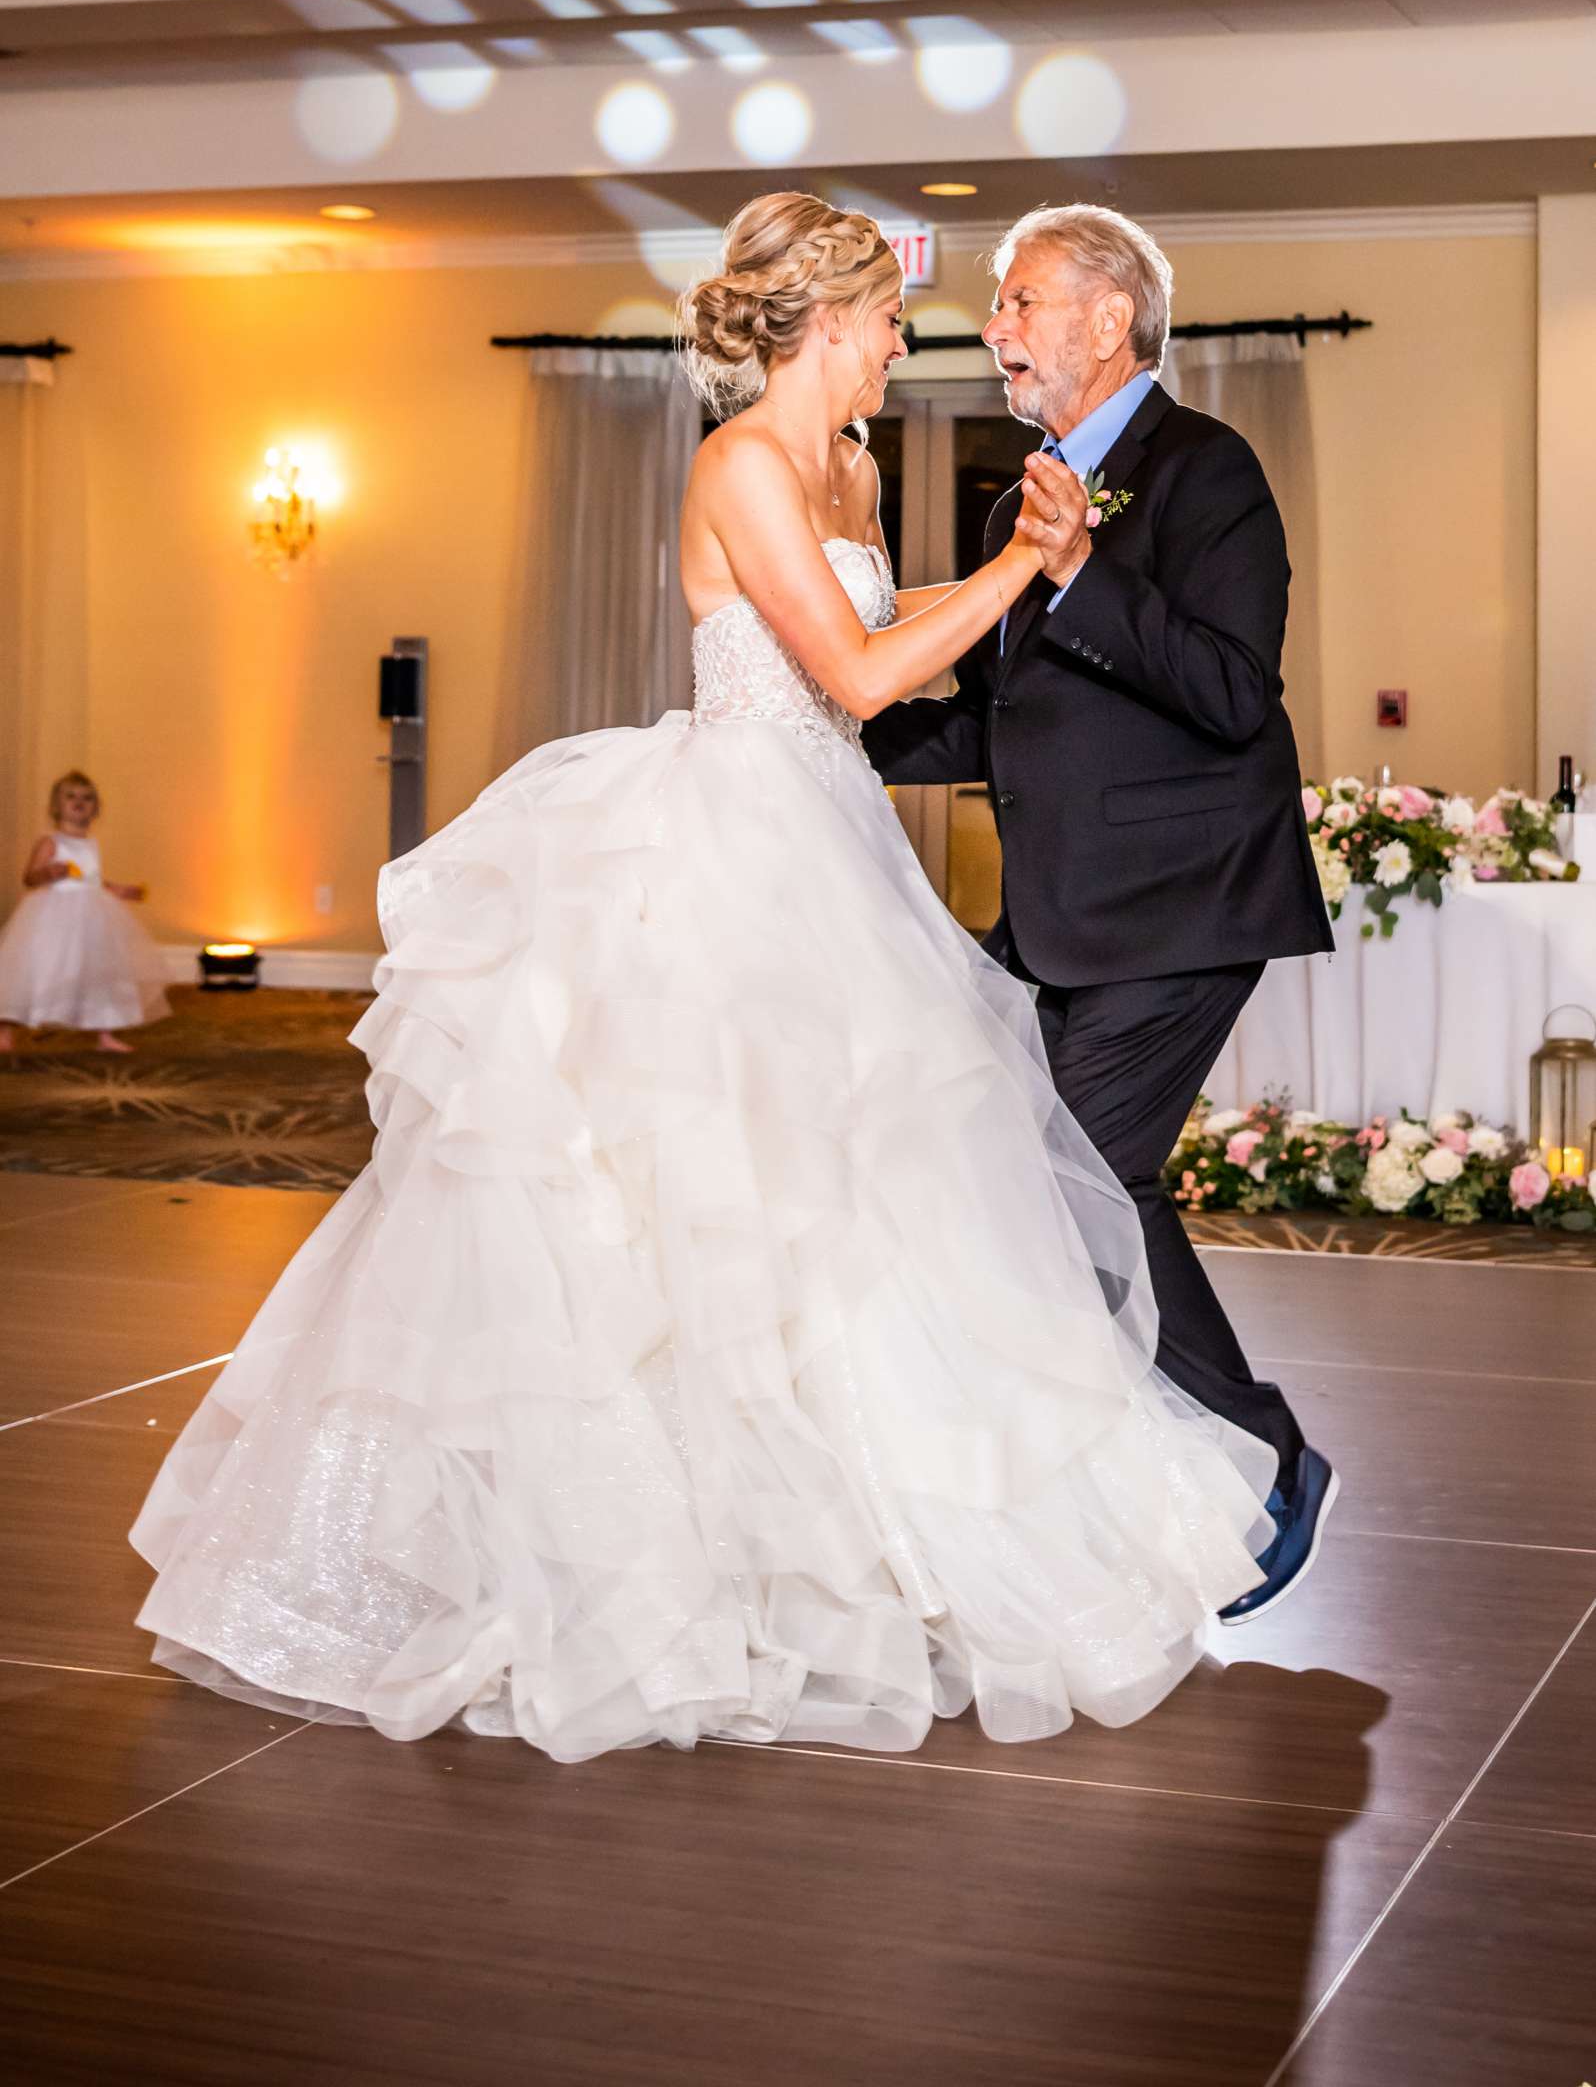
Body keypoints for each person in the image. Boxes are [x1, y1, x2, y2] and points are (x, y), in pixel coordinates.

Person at [131, 192, 1275, 1764]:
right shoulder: (737, 464)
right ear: (827, 317)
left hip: (831, 851)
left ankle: (841, 1545)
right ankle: (637, 1563)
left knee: (858, 1205)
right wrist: (1028, 556)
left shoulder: (856, 470)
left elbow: (911, 642)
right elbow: (864, 675)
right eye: (890, 325)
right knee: (689, 1202)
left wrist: (1013, 583)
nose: (905, 349)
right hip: (727, 849)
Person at [863, 204, 1337, 1626]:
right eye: (999, 309)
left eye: (1017, 303)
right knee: (1000, 1171)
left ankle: (1265, 1461)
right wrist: (834, 732)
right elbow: (1012, 725)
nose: (993, 329)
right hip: (1063, 918)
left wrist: (1080, 572)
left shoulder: (1207, 472)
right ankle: (1106, 1483)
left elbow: (1229, 693)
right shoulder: (1028, 499)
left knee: (1076, 1181)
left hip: (1184, 914)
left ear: (1107, 320)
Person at [0, 769, 169, 1056]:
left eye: (87, 798)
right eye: (71, 796)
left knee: (100, 972)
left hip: (91, 917)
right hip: (54, 918)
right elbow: (29, 877)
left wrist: (119, 890)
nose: (79, 802)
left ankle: (105, 1033)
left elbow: (90, 881)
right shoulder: (51, 842)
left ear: (96, 808)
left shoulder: (91, 844)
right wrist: (48, 871)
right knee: (39, 971)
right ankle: (5, 1028)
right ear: (56, 805)